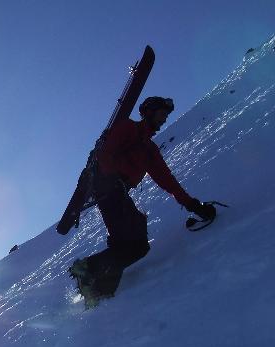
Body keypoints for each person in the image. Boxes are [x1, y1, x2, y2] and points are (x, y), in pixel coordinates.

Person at [70, 96, 215, 307]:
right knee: (136, 244)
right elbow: (105, 155)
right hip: (110, 190)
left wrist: (193, 205)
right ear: (149, 111)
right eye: (162, 113)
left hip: (116, 192)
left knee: (135, 246)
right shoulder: (128, 128)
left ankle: (97, 288)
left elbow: (167, 180)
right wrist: (114, 176)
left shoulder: (149, 150)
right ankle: (91, 275)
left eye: (166, 115)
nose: (165, 118)